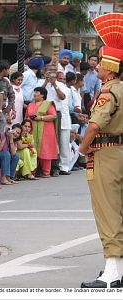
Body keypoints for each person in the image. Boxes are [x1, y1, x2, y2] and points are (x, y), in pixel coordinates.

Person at [80, 12, 123, 288]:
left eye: (100, 60)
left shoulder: (108, 91)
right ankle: (117, 270)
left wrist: (83, 148)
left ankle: (111, 272)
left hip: (105, 152)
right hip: (118, 150)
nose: (96, 65)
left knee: (107, 211)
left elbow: (96, 125)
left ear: (109, 65)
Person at [25, 87, 58, 177]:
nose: (35, 93)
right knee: (32, 149)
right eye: (34, 92)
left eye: (37, 92)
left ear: (42, 95)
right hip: (32, 129)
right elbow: (27, 117)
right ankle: (32, 171)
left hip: (46, 130)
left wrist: (41, 118)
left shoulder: (48, 104)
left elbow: (54, 116)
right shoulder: (30, 105)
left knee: (45, 149)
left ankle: (46, 171)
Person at [0, 60, 15, 133]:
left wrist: (9, 107)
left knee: (0, 134)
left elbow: (12, 95)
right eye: (8, 69)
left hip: (3, 111)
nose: (8, 71)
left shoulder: (6, 81)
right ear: (4, 70)